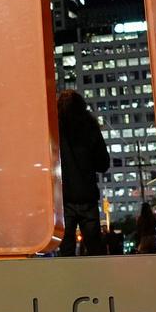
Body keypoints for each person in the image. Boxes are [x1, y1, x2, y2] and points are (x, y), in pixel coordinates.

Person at [57, 90, 110, 256]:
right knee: (95, 248)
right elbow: (103, 164)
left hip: (63, 198)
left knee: (66, 249)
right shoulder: (90, 128)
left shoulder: (54, 129)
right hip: (87, 196)